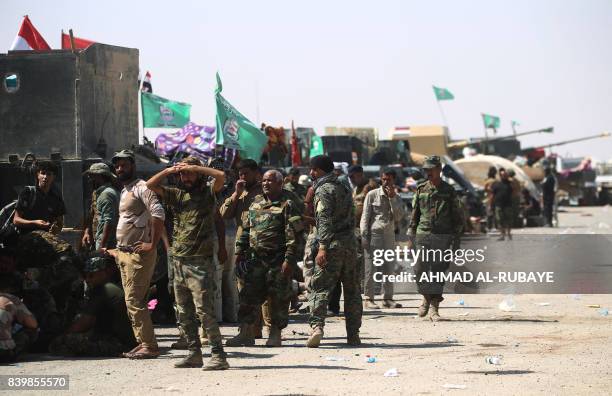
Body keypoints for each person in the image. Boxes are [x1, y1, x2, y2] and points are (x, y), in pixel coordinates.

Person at [146, 156, 229, 370]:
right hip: (179, 261)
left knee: (205, 311)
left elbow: (221, 176)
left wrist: (196, 167)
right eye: (182, 174)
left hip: (200, 263)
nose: (185, 176)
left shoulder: (209, 193)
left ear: (199, 173)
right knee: (183, 311)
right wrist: (169, 171)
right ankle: (194, 354)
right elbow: (149, 185)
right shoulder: (177, 194)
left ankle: (219, 356)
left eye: (189, 173)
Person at [226, 170, 302, 347]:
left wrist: (289, 260)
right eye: (265, 181)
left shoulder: (288, 203)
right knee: (248, 297)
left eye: (271, 181)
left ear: (280, 183)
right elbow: (246, 229)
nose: (266, 184)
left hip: (278, 260)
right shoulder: (256, 202)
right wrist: (239, 252)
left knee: (278, 298)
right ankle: (245, 333)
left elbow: (295, 234)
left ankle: (275, 334)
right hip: (256, 260)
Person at [108, 149, 165, 359]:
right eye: (117, 166)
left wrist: (152, 243)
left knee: (135, 300)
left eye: (124, 165)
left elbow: (158, 213)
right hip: (125, 253)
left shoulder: (141, 187)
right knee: (131, 301)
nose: (120, 169)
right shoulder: (125, 190)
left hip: (138, 255)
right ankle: (142, 342)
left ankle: (150, 345)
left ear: (133, 165)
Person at [307, 155, 362, 347]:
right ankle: (353, 335)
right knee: (352, 291)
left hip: (332, 246)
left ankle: (317, 328)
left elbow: (324, 220)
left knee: (320, 288)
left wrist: (322, 247)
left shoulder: (323, 189)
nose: (311, 173)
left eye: (313, 169)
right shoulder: (344, 186)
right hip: (350, 245)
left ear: (320, 170)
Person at [408, 156, 463, 321]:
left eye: (431, 169)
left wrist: (456, 241)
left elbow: (457, 217)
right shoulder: (421, 188)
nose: (428, 172)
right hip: (423, 234)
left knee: (438, 271)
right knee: (419, 269)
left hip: (443, 236)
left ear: (439, 169)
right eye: (425, 170)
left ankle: (434, 307)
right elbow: (414, 215)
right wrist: (410, 238)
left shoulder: (449, 190)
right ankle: (425, 296)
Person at [49, 257, 137, 357]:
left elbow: (85, 322)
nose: (87, 279)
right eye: (85, 276)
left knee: (61, 342)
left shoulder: (102, 290)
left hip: (118, 344)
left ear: (104, 273)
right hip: (126, 341)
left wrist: (65, 333)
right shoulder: (113, 287)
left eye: (91, 275)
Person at [219, 159, 267, 339]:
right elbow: (224, 214)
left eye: (246, 173)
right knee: (244, 288)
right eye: (240, 174)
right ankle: (250, 329)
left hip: (264, 245)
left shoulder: (265, 191)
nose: (243, 177)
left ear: (256, 173)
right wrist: (235, 195)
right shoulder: (240, 193)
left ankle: (265, 328)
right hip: (243, 247)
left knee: (263, 288)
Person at [361, 169, 405, 309]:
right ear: (381, 179)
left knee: (388, 267)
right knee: (371, 267)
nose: (386, 182)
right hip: (374, 235)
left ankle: (387, 298)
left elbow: (398, 217)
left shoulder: (397, 197)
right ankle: (368, 298)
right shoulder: (372, 195)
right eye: (384, 179)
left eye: (389, 179)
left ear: (394, 180)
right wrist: (364, 235)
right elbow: (365, 216)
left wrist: (392, 198)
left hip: (389, 235)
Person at [13, 161, 65, 235]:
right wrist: (34, 223)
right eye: (43, 173)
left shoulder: (57, 198)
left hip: (47, 239)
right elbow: (16, 220)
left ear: (54, 177)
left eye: (49, 174)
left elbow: (60, 223)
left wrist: (56, 229)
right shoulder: (28, 193)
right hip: (25, 238)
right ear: (38, 175)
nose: (45, 177)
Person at [0, 272, 38, 363]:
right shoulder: (10, 298)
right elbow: (33, 324)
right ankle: (9, 349)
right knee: (31, 331)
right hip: (2, 354)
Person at [82, 163, 120, 250]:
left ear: (100, 176)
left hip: (108, 243)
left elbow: (109, 221)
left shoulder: (106, 194)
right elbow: (93, 213)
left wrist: (102, 246)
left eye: (91, 176)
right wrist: (87, 232)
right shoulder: (97, 193)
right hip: (100, 239)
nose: (89, 179)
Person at [492, 168, 514, 240]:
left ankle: (509, 233)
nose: (504, 176)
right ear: (500, 176)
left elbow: (515, 192)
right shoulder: (496, 184)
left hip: (508, 205)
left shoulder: (510, 183)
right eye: (502, 175)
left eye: (505, 175)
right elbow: (493, 195)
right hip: (498, 204)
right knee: (499, 220)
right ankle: (502, 235)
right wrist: (491, 204)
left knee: (508, 220)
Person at [483, 166, 497, 232]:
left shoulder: (488, 180)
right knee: (492, 213)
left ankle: (490, 227)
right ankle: (492, 227)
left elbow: (485, 189)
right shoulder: (495, 180)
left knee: (489, 213)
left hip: (490, 198)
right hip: (493, 198)